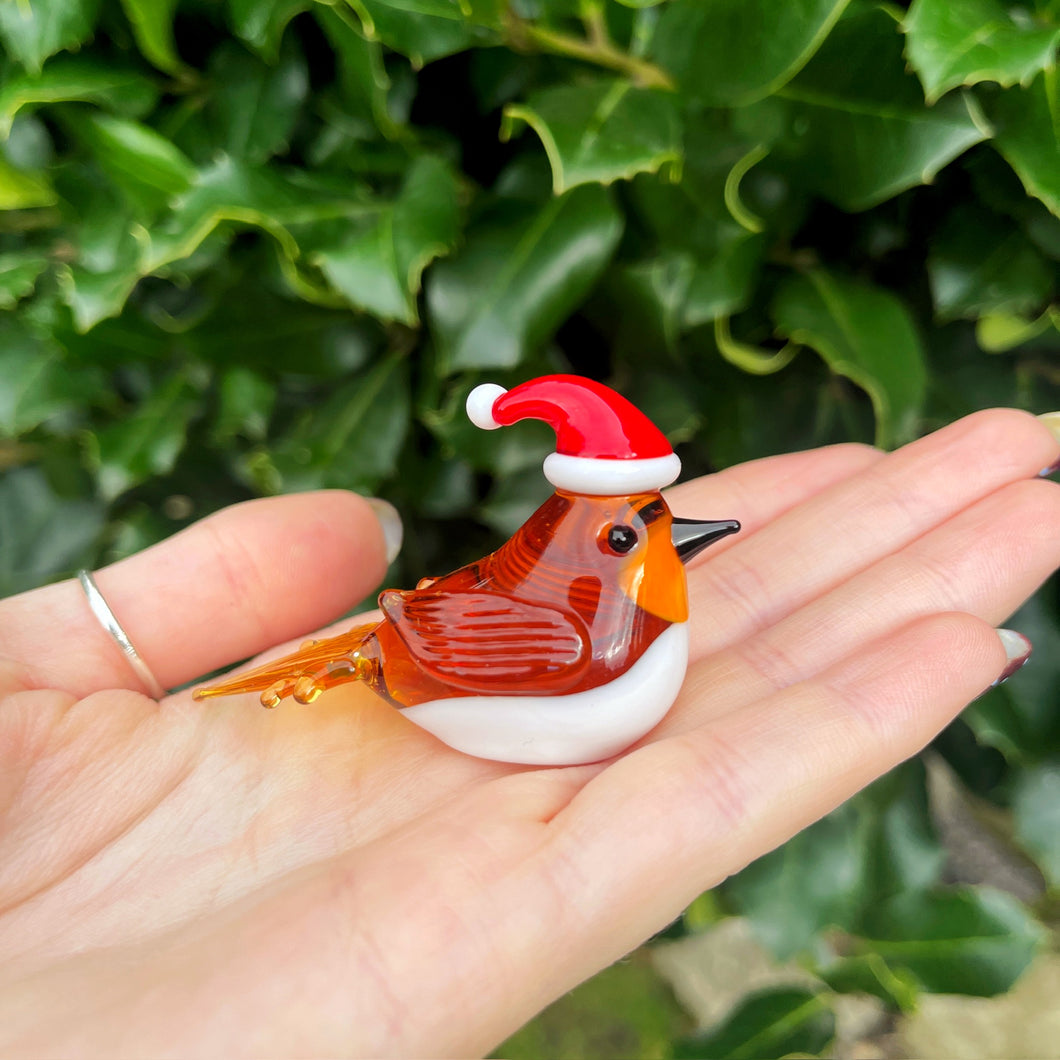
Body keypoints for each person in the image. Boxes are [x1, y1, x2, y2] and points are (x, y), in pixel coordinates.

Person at [0, 407, 1058, 1057]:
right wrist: (372, 652)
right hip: (430, 669)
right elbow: (445, 632)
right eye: (636, 533)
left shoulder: (636, 620)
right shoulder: (584, 635)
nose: (669, 540)